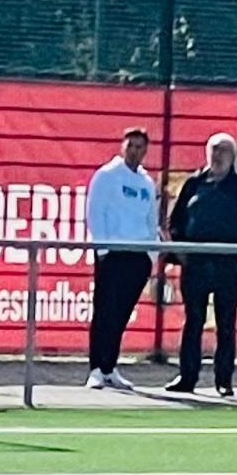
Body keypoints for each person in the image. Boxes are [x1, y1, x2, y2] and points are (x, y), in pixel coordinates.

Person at [164, 132, 237, 396]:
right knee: (193, 321)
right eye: (213, 150)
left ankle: (224, 380)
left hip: (229, 269)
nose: (217, 155)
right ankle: (187, 377)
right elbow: (175, 222)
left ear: (233, 155)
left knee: (226, 324)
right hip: (196, 266)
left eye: (223, 150)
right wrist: (181, 253)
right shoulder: (193, 184)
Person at [84, 127, 161, 391]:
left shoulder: (146, 182)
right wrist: (103, 251)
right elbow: (95, 213)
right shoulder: (107, 176)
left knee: (122, 314)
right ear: (123, 147)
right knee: (104, 312)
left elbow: (151, 220)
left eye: (140, 147)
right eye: (131, 146)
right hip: (113, 254)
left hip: (138, 257)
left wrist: (151, 255)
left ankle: (110, 367)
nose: (135, 152)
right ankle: (96, 368)